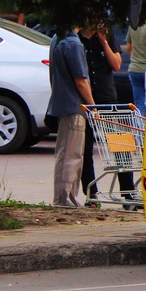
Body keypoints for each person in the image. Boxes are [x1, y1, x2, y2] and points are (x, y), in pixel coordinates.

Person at [79, 15, 133, 205]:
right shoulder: (77, 39)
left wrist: (103, 41)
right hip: (85, 100)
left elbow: (117, 64)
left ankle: (128, 191)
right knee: (85, 149)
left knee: (121, 145)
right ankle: (91, 193)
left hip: (107, 97)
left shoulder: (107, 37)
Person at [46, 26, 94, 208]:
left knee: (65, 153)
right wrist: (92, 106)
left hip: (62, 103)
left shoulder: (57, 38)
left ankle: (65, 197)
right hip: (74, 106)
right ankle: (65, 198)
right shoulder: (73, 44)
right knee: (72, 155)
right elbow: (81, 80)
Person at [125, 22, 146, 109]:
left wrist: (136, 60)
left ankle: (139, 122)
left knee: (139, 104)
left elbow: (128, 48)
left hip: (134, 69)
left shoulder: (134, 24)